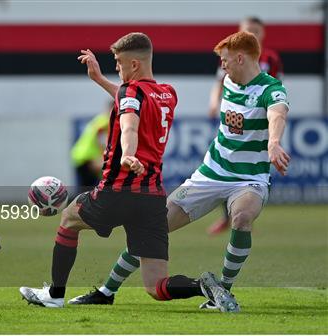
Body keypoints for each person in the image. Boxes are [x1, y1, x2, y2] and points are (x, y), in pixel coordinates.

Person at [69, 31, 290, 312]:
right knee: (153, 228)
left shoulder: (271, 89)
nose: (221, 66)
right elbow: (137, 101)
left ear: (240, 57)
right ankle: (106, 290)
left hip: (249, 178)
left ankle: (221, 292)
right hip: (210, 173)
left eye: (224, 60)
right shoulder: (226, 82)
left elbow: (277, 113)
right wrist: (101, 80)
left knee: (242, 217)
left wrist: (273, 142)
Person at [19, 32, 235, 312]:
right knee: (156, 286)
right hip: (153, 197)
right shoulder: (168, 94)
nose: (117, 68)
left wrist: (129, 154)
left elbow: (130, 124)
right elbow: (129, 100)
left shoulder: (130, 93)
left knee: (69, 218)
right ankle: (204, 286)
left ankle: (55, 295)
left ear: (134, 64)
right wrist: (99, 80)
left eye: (119, 63)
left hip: (118, 191)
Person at [207, 16, 284, 235]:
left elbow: (277, 89)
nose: (252, 34)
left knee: (258, 164)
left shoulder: (270, 58)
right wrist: (214, 102)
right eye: (247, 30)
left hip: (260, 117)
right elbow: (219, 82)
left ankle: (248, 208)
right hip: (234, 114)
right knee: (225, 161)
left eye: (256, 31)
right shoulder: (229, 57)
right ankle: (229, 214)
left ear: (263, 34)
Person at [70, 103, 110, 193]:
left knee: (84, 192)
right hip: (89, 157)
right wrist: (103, 158)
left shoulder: (100, 119)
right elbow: (101, 139)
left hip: (80, 155)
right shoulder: (107, 121)